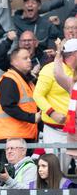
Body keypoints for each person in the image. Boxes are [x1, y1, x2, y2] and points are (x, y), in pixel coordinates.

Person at [34, 38, 77, 172]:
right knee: (57, 172)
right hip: (55, 130)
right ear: (75, 54)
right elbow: (37, 95)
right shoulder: (49, 69)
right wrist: (52, 112)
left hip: (74, 130)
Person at [0, 48, 40, 142]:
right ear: (14, 62)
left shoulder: (27, 81)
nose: (29, 60)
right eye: (25, 58)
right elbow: (8, 106)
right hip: (12, 137)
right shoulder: (10, 79)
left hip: (23, 134)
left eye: (29, 58)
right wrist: (32, 117)